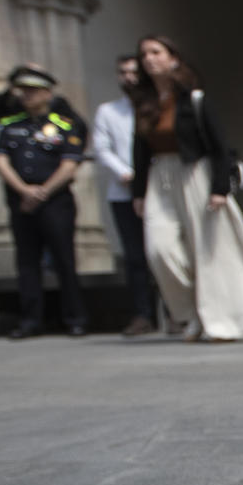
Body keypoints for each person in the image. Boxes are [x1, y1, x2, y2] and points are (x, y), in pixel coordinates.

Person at [132, 35, 243, 342]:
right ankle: (191, 311)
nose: (149, 58)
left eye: (156, 52)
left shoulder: (195, 100)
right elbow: (139, 151)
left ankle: (216, 319)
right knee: (159, 250)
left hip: (195, 173)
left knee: (207, 251)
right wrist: (139, 193)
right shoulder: (144, 104)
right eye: (144, 54)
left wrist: (220, 188)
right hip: (159, 177)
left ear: (173, 58)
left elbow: (219, 146)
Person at [0, 66, 87, 339]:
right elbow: (1, 160)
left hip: (55, 202)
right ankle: (31, 320)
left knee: (64, 261)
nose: (27, 96)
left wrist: (42, 192)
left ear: (47, 93)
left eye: (33, 91)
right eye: (23, 91)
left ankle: (75, 317)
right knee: (26, 262)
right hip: (20, 202)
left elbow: (70, 164)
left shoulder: (64, 125)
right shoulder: (10, 125)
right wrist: (24, 191)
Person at [91, 54, 156, 336]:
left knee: (163, 252)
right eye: (122, 72)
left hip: (158, 190)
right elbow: (102, 148)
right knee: (134, 256)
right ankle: (143, 313)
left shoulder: (156, 107)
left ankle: (174, 311)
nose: (128, 77)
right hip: (124, 193)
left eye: (133, 72)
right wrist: (126, 174)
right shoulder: (108, 111)